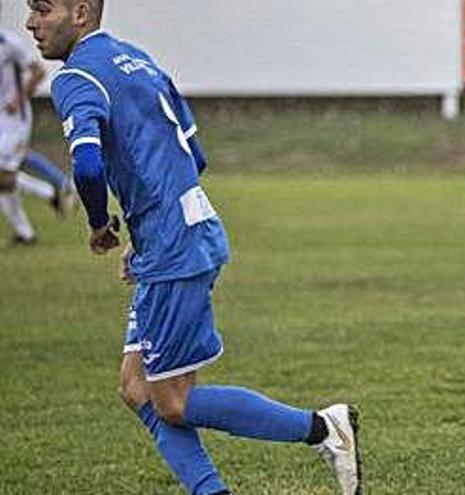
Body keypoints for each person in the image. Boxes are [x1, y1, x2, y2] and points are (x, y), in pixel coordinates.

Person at [26, 1, 361, 494]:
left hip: (171, 244)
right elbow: (194, 154)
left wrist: (101, 225)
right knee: (136, 387)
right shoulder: (138, 60)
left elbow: (89, 168)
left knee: (173, 400)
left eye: (43, 9)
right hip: (182, 230)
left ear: (80, 12)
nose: (31, 23)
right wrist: (145, 234)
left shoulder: (76, 77)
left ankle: (321, 428)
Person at [0, 7, 50, 244]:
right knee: (3, 183)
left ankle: (51, 193)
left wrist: (18, 99)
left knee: (3, 177)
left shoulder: (8, 43)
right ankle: (25, 234)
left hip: (14, 119)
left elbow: (39, 71)